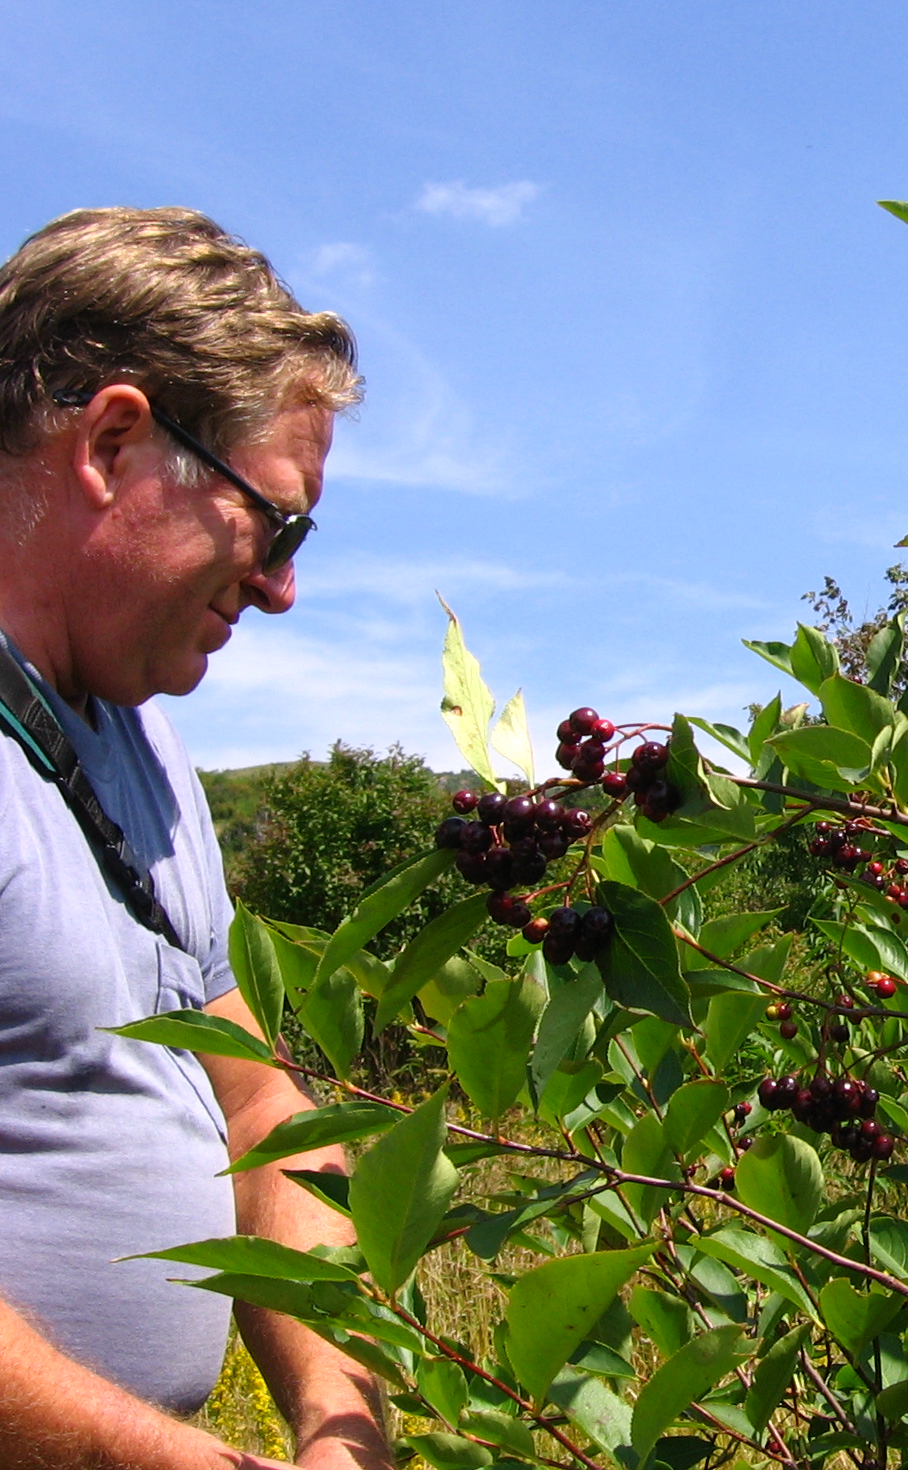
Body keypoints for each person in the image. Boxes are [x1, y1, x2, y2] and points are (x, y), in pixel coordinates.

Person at [0, 207, 389, 1470]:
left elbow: (257, 1103)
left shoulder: (144, 750)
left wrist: (342, 1430)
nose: (281, 586)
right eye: (273, 523)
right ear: (114, 440)